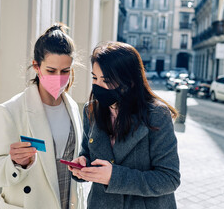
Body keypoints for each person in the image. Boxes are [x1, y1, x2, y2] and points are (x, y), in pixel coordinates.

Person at [69, 41, 180, 209]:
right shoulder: (91, 110)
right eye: (94, 77)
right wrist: (83, 167)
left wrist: (114, 177)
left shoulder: (157, 115)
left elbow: (169, 178)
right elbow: (89, 155)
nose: (98, 85)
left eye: (106, 80)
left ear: (129, 82)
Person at [0, 23, 84, 209]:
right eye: (51, 70)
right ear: (36, 66)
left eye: (65, 71)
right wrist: (15, 163)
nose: (59, 77)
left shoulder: (72, 107)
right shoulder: (10, 111)